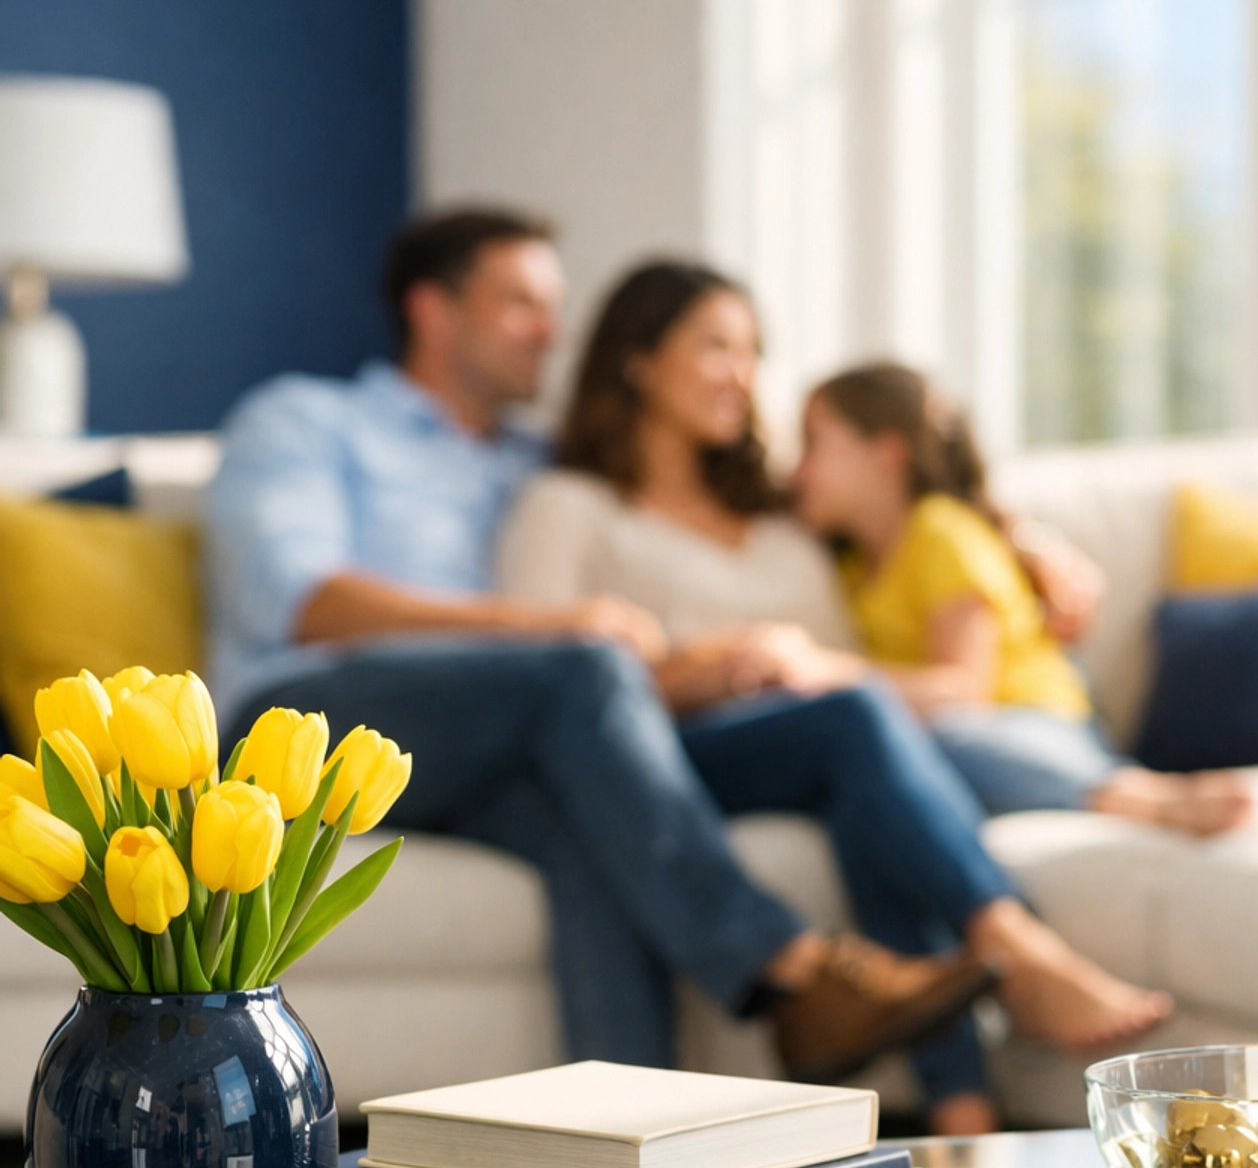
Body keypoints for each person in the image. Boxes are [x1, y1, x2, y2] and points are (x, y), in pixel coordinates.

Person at [205, 207, 1010, 1088]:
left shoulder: (534, 458)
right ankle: (792, 966)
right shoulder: (308, 420)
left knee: (589, 818)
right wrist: (550, 625)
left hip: (479, 746)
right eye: (520, 302)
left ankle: (632, 1152)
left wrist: (1010, 536)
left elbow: (806, 493)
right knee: (587, 669)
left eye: (552, 305)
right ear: (432, 311)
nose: (550, 329)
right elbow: (303, 601)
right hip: (306, 728)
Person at [498, 258, 1173, 1135]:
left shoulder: (787, 512)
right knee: (855, 719)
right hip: (664, 753)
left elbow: (911, 500)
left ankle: (961, 1111)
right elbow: (546, 693)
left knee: (871, 789)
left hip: (806, 739)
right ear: (636, 360)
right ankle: (1012, 944)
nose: (743, 375)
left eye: (752, 353)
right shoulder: (570, 505)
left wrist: (1025, 540)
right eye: (715, 347)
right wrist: (696, 671)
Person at [794, 361, 1251, 832]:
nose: (797, 470)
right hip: (989, 735)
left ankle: (1144, 798)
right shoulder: (853, 559)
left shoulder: (939, 533)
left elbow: (963, 689)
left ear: (885, 454)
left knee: (941, 738)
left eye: (812, 444)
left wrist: (829, 673)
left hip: (1034, 722)